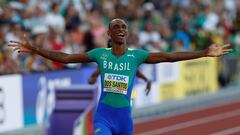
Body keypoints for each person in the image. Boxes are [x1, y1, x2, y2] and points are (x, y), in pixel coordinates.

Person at [9, 18, 232, 135]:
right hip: (104, 117)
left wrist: (204, 52)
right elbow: (67, 58)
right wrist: (37, 50)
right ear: (109, 34)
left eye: (124, 26)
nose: (122, 29)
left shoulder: (136, 56)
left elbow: (169, 56)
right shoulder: (100, 55)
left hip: (125, 120)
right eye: (116, 27)